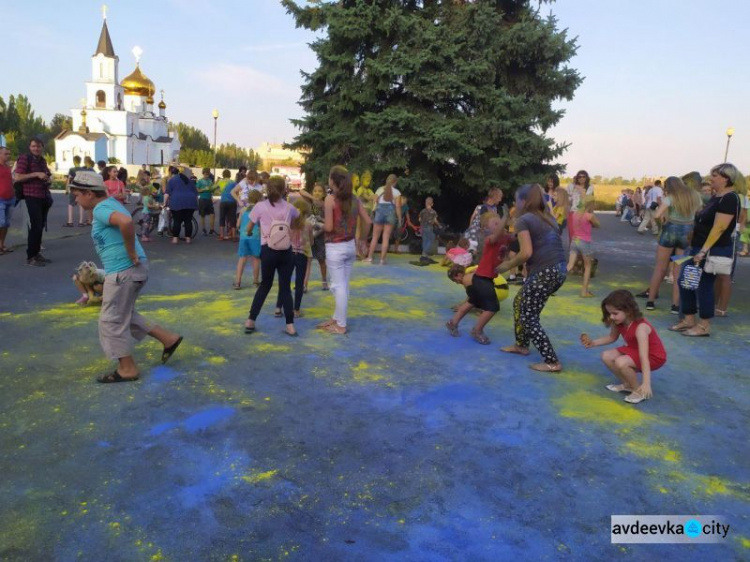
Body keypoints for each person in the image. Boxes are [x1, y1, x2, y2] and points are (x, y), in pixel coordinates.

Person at [69, 170, 183, 383]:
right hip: (131, 271)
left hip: (123, 271)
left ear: (89, 194)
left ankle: (127, 369)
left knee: (110, 320)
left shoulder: (102, 208)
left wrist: (130, 251)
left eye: (77, 194)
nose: (75, 198)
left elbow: (126, 222)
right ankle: (169, 339)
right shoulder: (109, 203)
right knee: (124, 314)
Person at [499, 184, 567, 372]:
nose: (515, 203)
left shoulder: (524, 219)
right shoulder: (549, 218)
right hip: (559, 270)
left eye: (516, 200)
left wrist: (506, 265)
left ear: (523, 201)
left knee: (528, 316)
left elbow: (526, 252)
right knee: (520, 302)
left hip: (545, 272)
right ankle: (521, 345)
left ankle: (552, 361)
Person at [671, 163, 741, 337]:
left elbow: (719, 228)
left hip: (710, 250)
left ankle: (704, 325)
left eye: (715, 175)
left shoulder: (729, 199)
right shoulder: (717, 197)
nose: (711, 178)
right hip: (698, 247)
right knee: (685, 281)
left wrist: (703, 251)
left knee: (704, 285)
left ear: (726, 178)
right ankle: (688, 319)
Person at [581, 290, 666, 405]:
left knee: (621, 362)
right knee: (606, 355)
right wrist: (593, 343)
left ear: (628, 310)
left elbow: (643, 356)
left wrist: (646, 383)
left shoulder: (641, 328)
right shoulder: (619, 322)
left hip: (653, 356)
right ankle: (628, 385)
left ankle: (639, 391)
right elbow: (612, 337)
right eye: (609, 313)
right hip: (634, 349)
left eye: (615, 313)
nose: (611, 317)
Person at [316, 166, 372, 334]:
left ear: (333, 181)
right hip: (350, 247)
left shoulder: (330, 200)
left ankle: (341, 325)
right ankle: (337, 317)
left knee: (338, 286)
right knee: (344, 285)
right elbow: (368, 221)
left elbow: (329, 226)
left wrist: (317, 224)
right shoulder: (355, 199)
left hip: (335, 248)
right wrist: (362, 240)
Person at [243, 176, 300, 337]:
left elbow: (249, 227)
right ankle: (290, 325)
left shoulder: (260, 207)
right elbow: (295, 222)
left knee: (265, 285)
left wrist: (250, 232)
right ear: (284, 190)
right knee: (285, 288)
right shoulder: (290, 207)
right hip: (286, 251)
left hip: (268, 250)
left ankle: (251, 320)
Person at [635, 176, 702, 312]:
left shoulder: (671, 197)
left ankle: (651, 301)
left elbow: (657, 215)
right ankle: (675, 305)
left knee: (660, 268)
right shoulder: (694, 196)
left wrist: (667, 219)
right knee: (678, 270)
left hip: (669, 233)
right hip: (686, 235)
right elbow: (699, 212)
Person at [445, 212, 507, 344]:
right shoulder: (490, 239)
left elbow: (516, 235)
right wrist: (505, 218)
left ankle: (453, 322)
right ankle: (477, 330)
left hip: (482, 279)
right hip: (482, 278)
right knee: (492, 307)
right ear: (486, 228)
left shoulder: (503, 237)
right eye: (495, 223)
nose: (499, 225)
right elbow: (497, 235)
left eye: (499, 222)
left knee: (471, 302)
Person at [13, 137, 53, 267]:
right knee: (35, 225)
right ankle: (30, 256)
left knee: (40, 225)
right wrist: (36, 174)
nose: (36, 148)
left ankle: (36, 253)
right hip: (31, 195)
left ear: (42, 147)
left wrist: (47, 179)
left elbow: (46, 174)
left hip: (43, 195)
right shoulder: (25, 158)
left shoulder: (42, 160)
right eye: (34, 146)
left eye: (39, 146)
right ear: (30, 147)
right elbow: (18, 177)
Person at [274, 197, 313, 318]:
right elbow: (311, 242)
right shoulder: (308, 225)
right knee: (299, 283)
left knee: (284, 281)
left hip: (288, 253)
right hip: (302, 255)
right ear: (306, 212)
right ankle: (296, 309)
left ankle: (278, 308)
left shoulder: (288, 224)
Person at [566, 197, 600, 298]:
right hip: (584, 241)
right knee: (588, 266)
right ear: (590, 205)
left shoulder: (575, 215)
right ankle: (584, 291)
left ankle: (553, 283)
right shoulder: (589, 216)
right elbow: (598, 225)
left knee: (570, 265)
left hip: (574, 240)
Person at [365, 174, 401, 264]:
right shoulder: (397, 193)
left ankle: (369, 258)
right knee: (386, 238)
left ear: (386, 181)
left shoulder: (380, 189)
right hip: (390, 213)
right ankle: (382, 260)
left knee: (375, 237)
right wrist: (399, 218)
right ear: (395, 182)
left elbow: (375, 201)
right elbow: (397, 207)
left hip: (379, 213)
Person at [299, 182, 328, 291]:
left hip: (320, 236)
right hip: (309, 235)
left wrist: (320, 220)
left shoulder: (325, 205)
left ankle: (324, 281)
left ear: (324, 194)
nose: (317, 193)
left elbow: (328, 222)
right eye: (315, 191)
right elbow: (301, 191)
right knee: (308, 260)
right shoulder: (310, 201)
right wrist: (312, 198)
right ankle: (304, 284)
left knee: (321, 260)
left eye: (320, 191)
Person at [234, 190, 263, 289]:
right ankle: (255, 281)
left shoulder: (243, 210)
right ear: (258, 199)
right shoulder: (258, 210)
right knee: (255, 258)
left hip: (243, 237)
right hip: (255, 237)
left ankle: (237, 282)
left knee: (242, 258)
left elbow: (237, 225)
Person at [464, 187, 505, 254]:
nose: (500, 200)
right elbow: (484, 223)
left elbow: (472, 217)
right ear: (494, 196)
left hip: (476, 233)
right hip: (478, 235)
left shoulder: (495, 209)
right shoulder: (484, 208)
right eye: (500, 197)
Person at [164, 166, 198, 244]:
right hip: (191, 202)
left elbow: (167, 194)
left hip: (177, 202)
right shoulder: (189, 180)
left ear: (171, 173)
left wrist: (164, 203)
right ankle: (188, 239)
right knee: (188, 221)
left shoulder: (171, 180)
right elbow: (195, 194)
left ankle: (175, 239)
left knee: (177, 221)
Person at [64, 156, 88, 227]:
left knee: (71, 204)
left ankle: (70, 221)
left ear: (74, 161)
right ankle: (81, 221)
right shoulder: (84, 170)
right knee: (81, 204)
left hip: (73, 188)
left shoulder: (72, 169)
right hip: (81, 188)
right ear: (80, 161)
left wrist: (66, 189)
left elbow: (69, 179)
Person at [0, 146, 14, 255]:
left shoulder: (8, 167)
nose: (8, 156)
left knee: (6, 224)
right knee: (1, 223)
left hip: (10, 198)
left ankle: (2, 244)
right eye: (6, 154)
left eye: (9, 154)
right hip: (0, 199)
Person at [217, 169, 237, 240]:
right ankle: (234, 236)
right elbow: (237, 191)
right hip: (232, 202)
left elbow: (213, 188)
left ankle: (221, 235)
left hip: (223, 202)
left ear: (223, 175)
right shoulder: (233, 182)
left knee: (222, 218)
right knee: (233, 218)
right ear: (230, 175)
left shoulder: (220, 182)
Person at [196, 167, 217, 235]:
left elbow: (211, 190)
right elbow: (197, 190)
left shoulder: (210, 181)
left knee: (212, 214)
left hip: (209, 199)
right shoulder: (199, 181)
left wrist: (214, 189)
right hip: (202, 199)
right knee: (202, 215)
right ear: (203, 173)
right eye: (205, 174)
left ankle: (211, 229)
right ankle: (203, 229)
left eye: (207, 174)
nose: (206, 176)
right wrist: (205, 189)